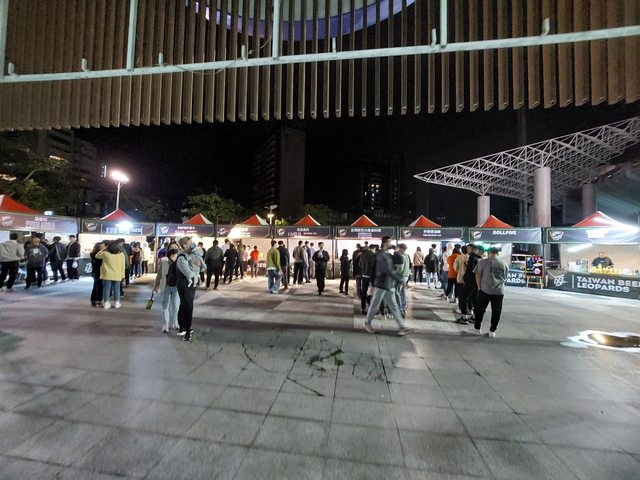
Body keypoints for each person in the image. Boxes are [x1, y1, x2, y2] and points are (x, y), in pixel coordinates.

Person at [363, 237, 413, 336]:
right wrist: (401, 281)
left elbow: (399, 261)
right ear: (385, 243)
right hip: (381, 284)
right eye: (390, 242)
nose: (391, 244)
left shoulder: (388, 254)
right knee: (374, 305)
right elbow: (388, 270)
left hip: (388, 284)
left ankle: (402, 326)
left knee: (394, 306)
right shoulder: (380, 255)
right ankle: (367, 323)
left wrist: (396, 250)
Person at [465, 247, 509, 338]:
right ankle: (492, 331)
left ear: (489, 253)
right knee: (496, 311)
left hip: (485, 290)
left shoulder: (483, 262)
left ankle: (477, 329)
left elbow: (478, 275)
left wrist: (479, 287)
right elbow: (505, 277)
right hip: (499, 291)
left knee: (480, 310)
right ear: (498, 253)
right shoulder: (504, 264)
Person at [176, 237, 201, 341]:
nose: (192, 244)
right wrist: (196, 268)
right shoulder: (181, 258)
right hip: (185, 284)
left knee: (184, 305)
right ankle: (187, 330)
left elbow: (200, 267)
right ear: (184, 245)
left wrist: (198, 266)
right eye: (190, 243)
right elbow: (189, 273)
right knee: (188, 306)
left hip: (189, 284)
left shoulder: (189, 256)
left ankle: (183, 327)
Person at [153, 246, 181, 332]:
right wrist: (156, 286)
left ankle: (170, 323)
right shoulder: (172, 262)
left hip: (171, 286)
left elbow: (159, 275)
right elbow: (159, 275)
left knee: (171, 306)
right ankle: (170, 323)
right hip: (171, 286)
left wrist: (156, 286)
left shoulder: (169, 262)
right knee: (171, 306)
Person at [456, 244, 483, 324]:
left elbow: (470, 271)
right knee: (475, 300)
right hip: (477, 283)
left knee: (464, 298)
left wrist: (465, 278)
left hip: (470, 282)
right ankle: (474, 317)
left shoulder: (472, 257)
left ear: (473, 249)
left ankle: (464, 317)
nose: (467, 250)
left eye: (469, 249)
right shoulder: (479, 259)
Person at [96, 241, 126, 309]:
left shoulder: (105, 254)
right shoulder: (121, 254)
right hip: (117, 274)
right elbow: (123, 265)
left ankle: (106, 303)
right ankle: (117, 303)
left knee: (106, 289)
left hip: (107, 274)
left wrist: (102, 250)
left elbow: (96, 256)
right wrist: (123, 275)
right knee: (117, 289)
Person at [394, 243, 412, 316]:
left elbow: (400, 269)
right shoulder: (407, 255)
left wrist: (393, 273)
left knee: (397, 292)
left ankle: (400, 309)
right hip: (406, 276)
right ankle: (403, 307)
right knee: (403, 292)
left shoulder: (401, 256)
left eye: (398, 248)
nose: (397, 250)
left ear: (401, 248)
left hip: (401, 276)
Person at [359, 244, 375, 315]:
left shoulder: (363, 255)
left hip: (364, 275)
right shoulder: (373, 255)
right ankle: (371, 307)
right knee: (372, 292)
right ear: (373, 248)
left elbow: (360, 264)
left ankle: (363, 308)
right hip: (371, 276)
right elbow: (374, 266)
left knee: (364, 292)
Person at [89, 242, 104, 307]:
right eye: (102, 246)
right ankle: (98, 301)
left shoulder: (93, 254)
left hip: (95, 271)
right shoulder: (98, 255)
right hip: (99, 271)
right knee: (99, 286)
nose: (103, 247)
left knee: (96, 286)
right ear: (98, 247)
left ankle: (93, 300)